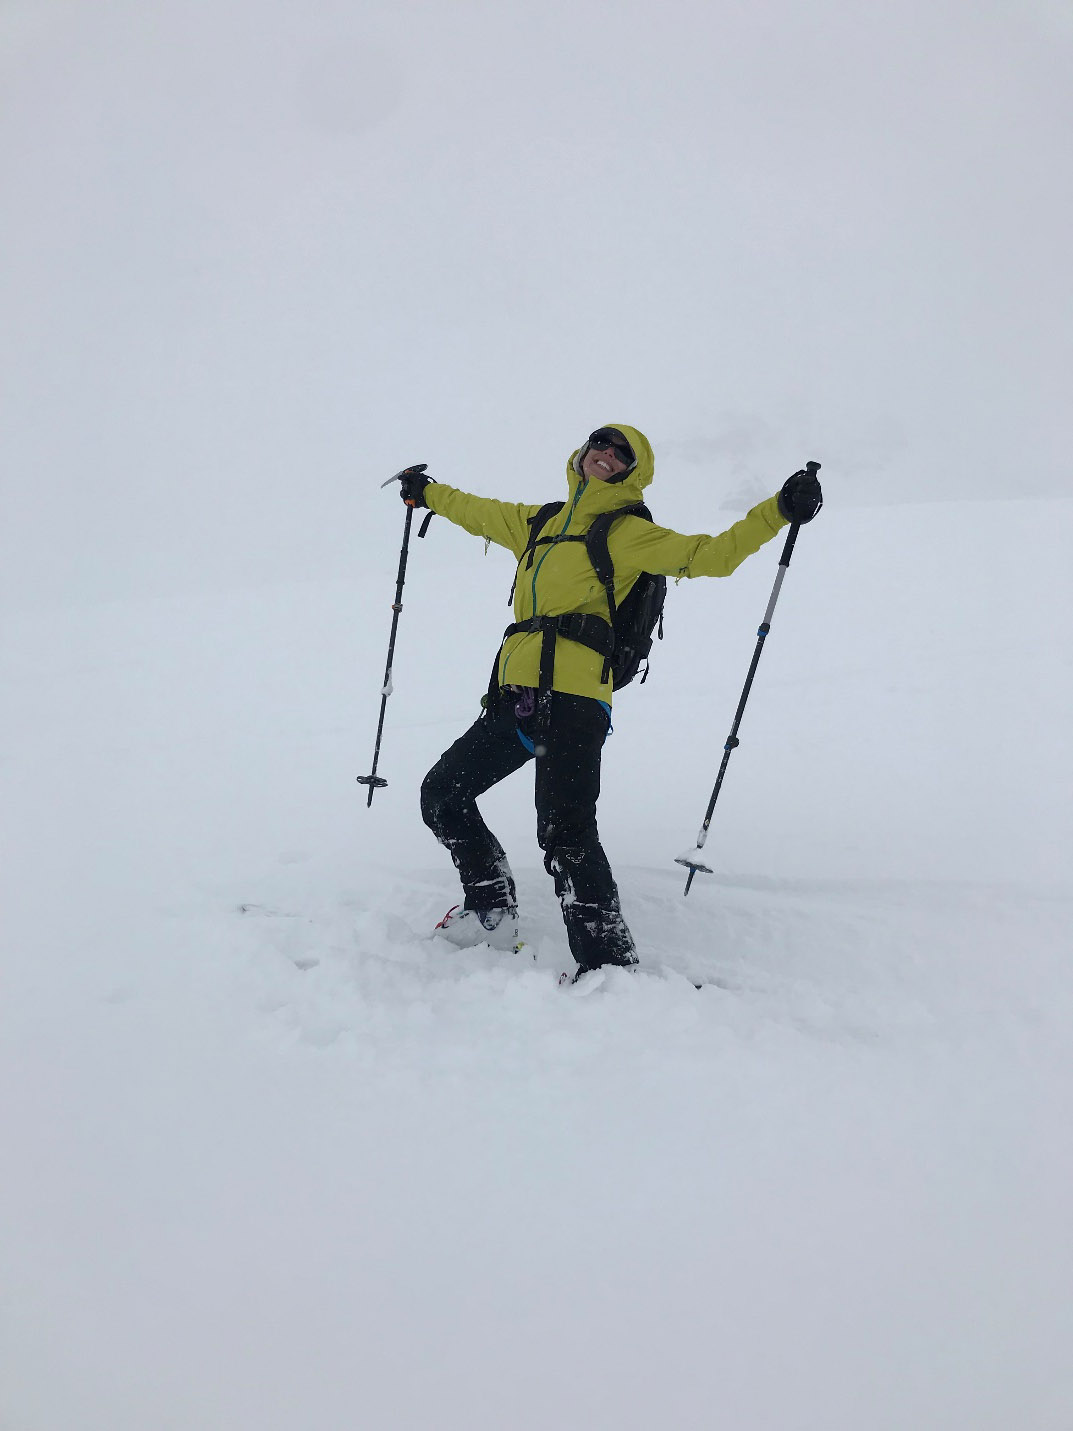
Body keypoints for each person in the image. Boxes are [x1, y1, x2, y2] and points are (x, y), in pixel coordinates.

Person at [397, 424, 822, 979]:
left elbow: (711, 556)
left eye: (622, 453)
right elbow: (474, 509)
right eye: (599, 444)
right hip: (515, 696)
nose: (606, 455)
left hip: (574, 701)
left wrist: (779, 510)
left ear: (633, 471)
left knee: (565, 830)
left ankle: (607, 965)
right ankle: (489, 910)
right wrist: (424, 492)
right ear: (581, 454)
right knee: (443, 795)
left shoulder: (626, 532)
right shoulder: (539, 522)